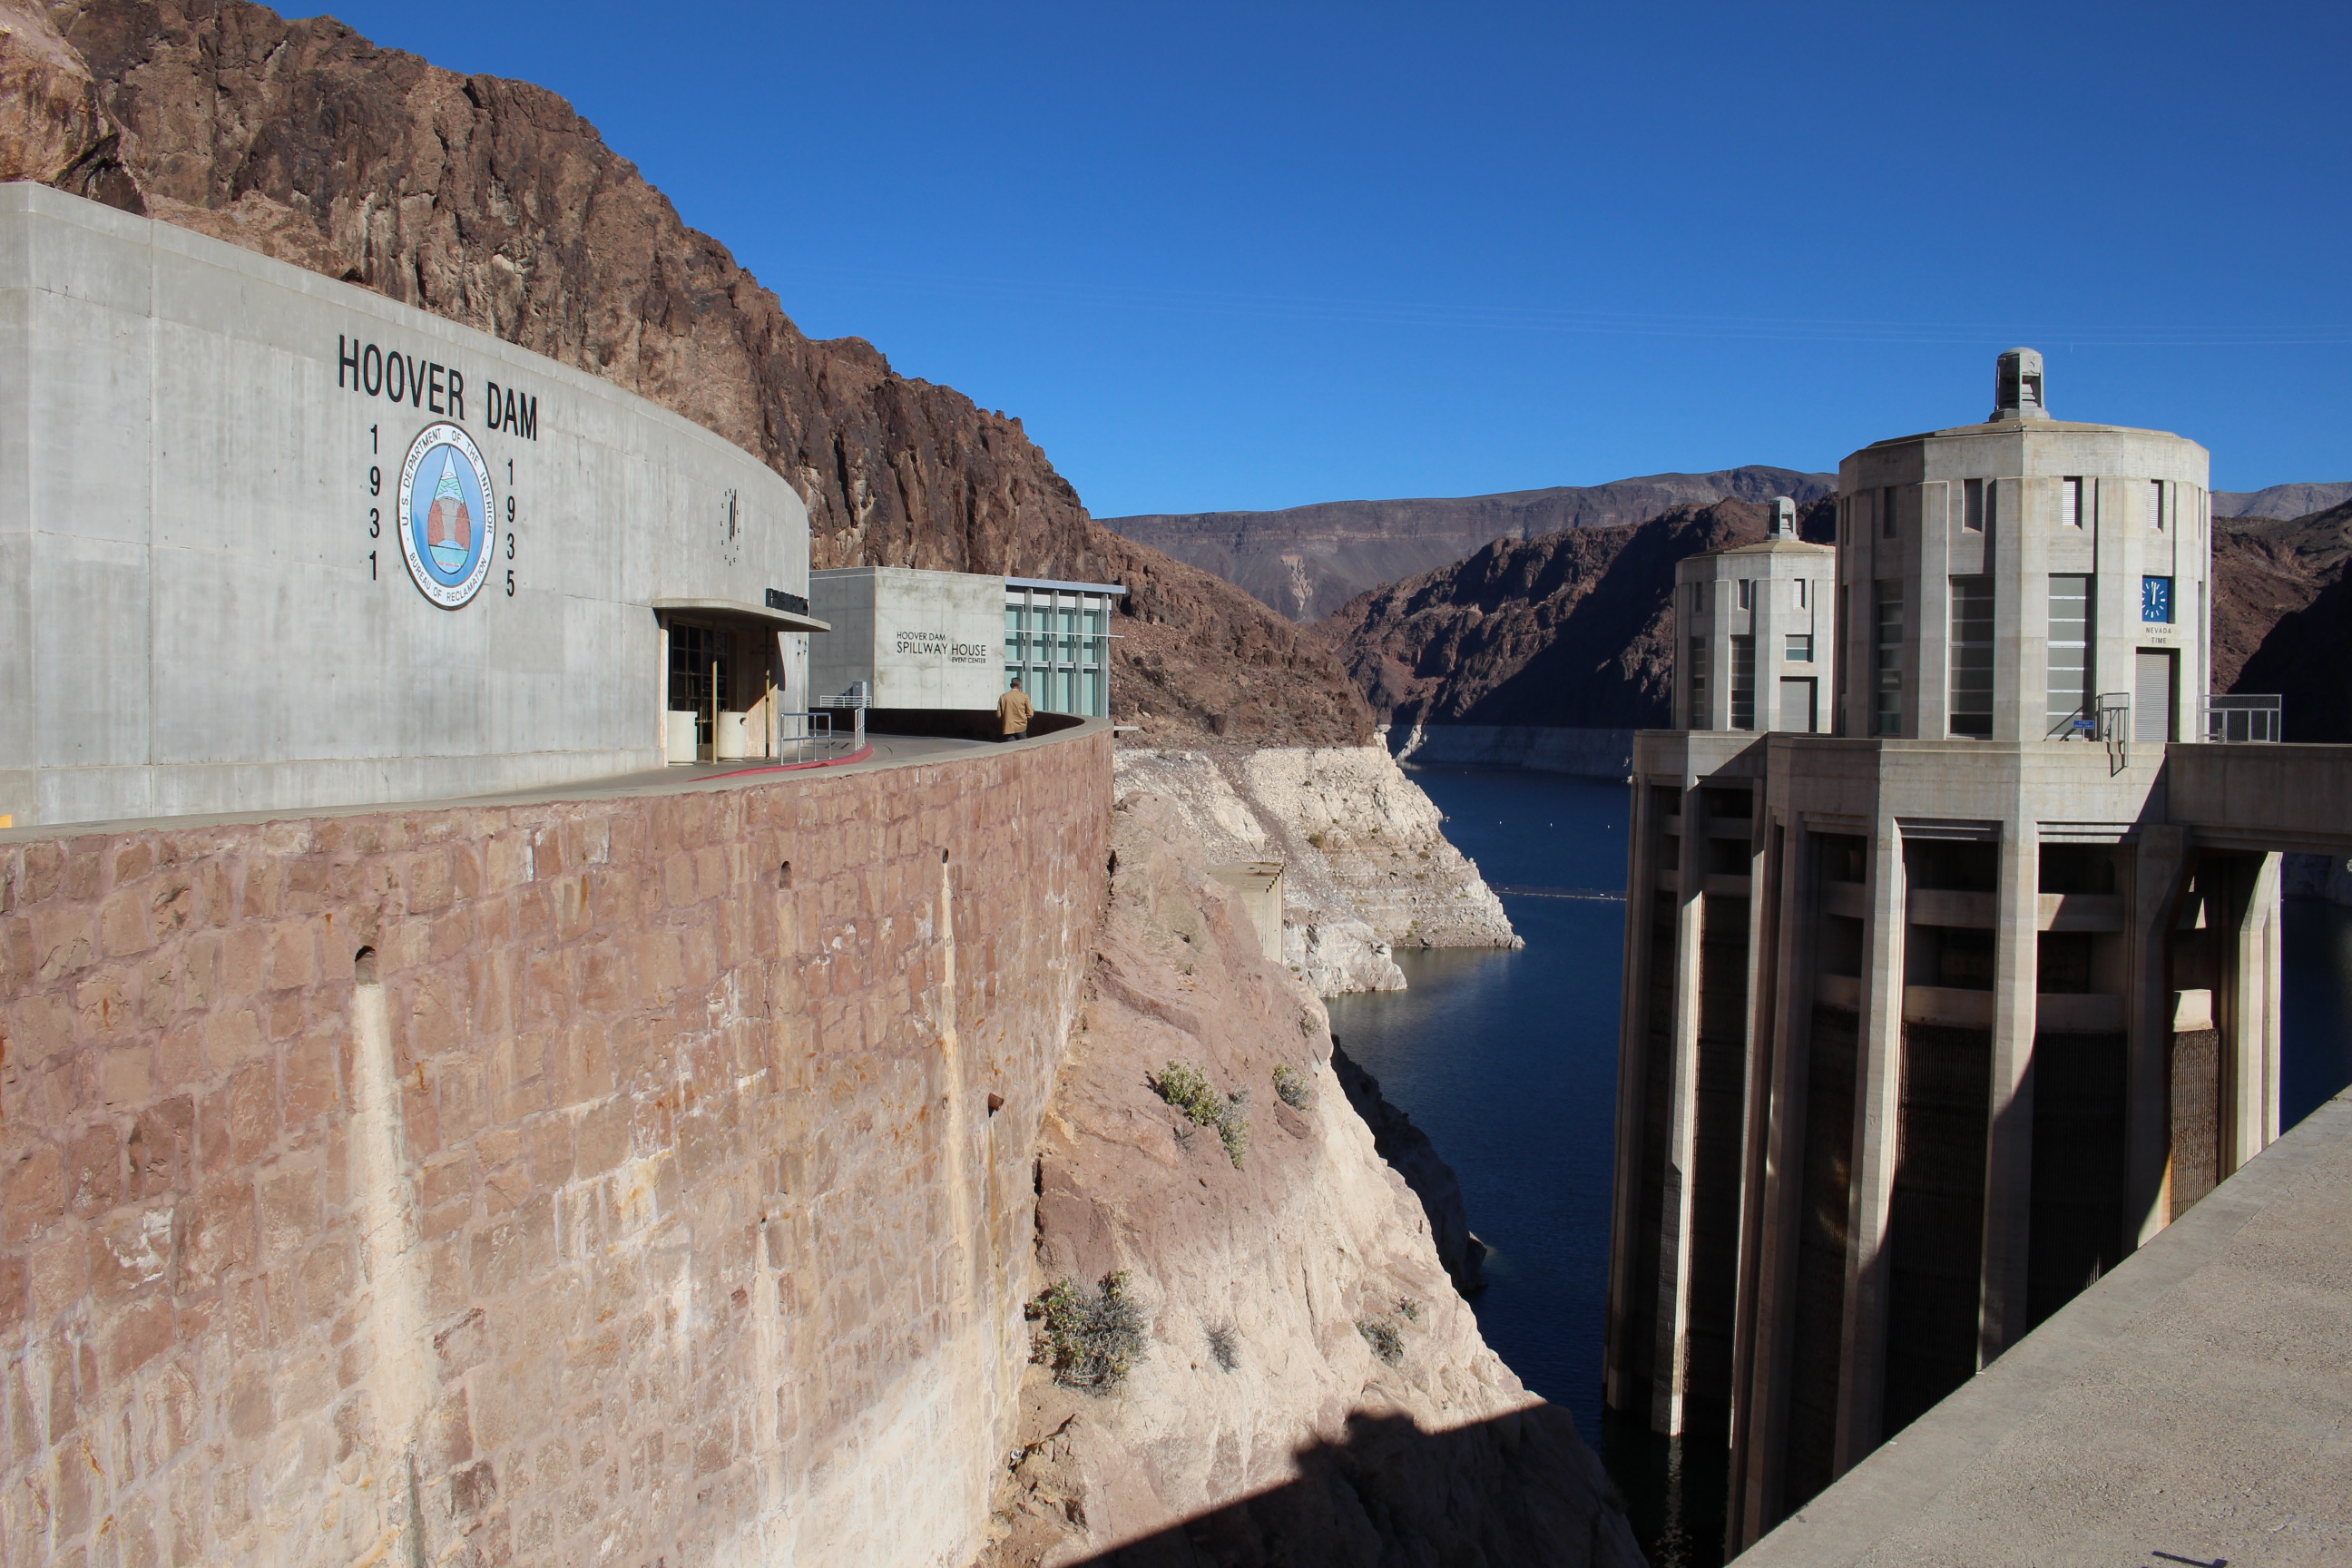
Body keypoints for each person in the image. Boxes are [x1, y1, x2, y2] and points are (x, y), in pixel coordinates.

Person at [996, 677, 1034, 742]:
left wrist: (1005, 719)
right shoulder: (1024, 696)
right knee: (1023, 746)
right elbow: (1030, 713)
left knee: (1011, 747)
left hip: (1008, 726)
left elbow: (998, 715)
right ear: (1020, 686)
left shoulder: (1003, 697)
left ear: (1011, 685)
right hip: (1021, 726)